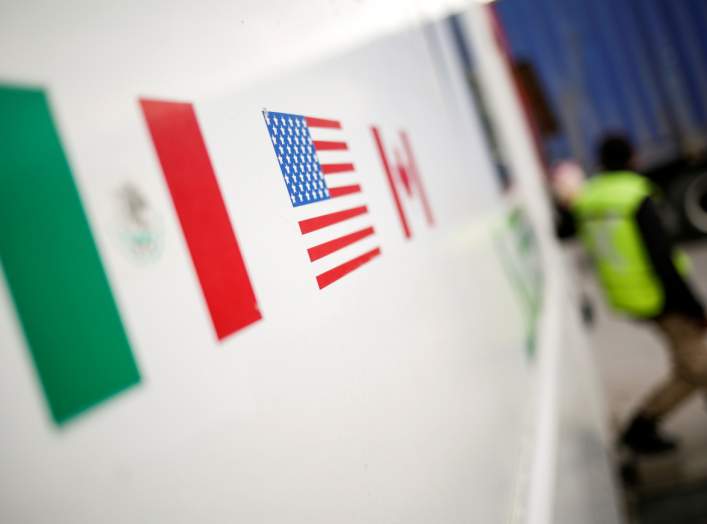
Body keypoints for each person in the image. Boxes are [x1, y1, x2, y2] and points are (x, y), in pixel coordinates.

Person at [568, 134, 707, 455]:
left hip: (626, 296)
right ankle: (639, 429)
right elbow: (662, 259)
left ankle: (641, 429)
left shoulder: (590, 198)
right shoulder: (635, 196)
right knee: (699, 367)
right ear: (633, 158)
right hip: (659, 296)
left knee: (689, 368)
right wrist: (693, 306)